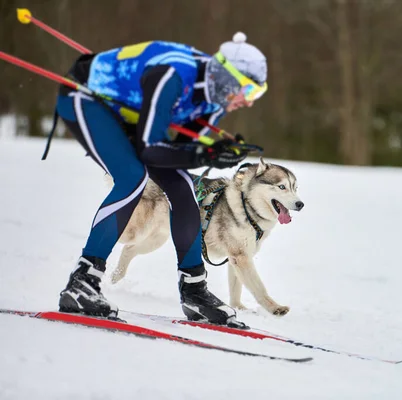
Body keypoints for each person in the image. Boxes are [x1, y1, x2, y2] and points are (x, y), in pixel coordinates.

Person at [54, 32, 268, 328]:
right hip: (88, 98)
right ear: (227, 79)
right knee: (132, 177)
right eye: (247, 90)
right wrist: (205, 156)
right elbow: (151, 149)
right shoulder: (172, 76)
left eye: (257, 94)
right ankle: (82, 283)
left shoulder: (216, 101)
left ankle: (195, 291)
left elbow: (179, 152)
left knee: (184, 188)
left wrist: (212, 153)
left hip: (129, 114)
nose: (248, 102)